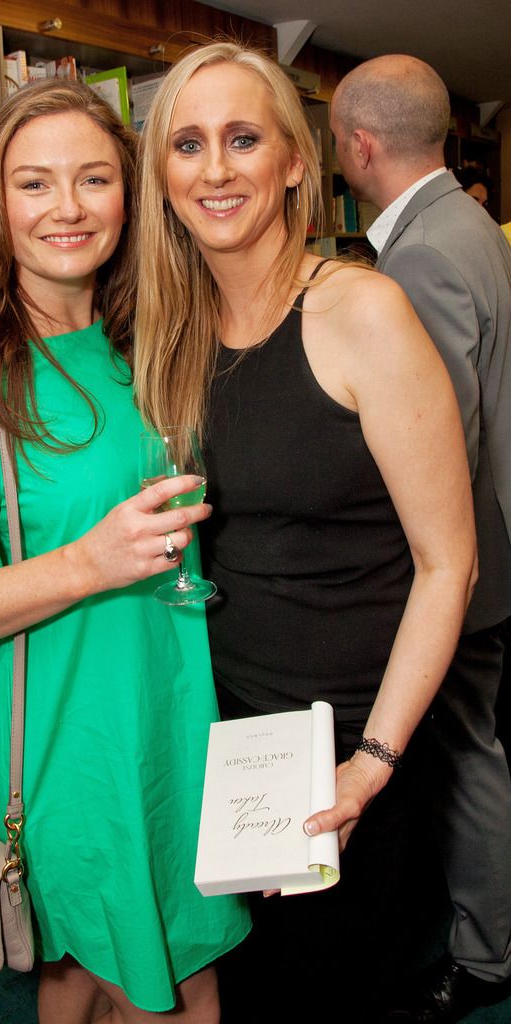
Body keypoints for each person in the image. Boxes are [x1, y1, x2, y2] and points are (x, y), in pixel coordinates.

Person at [0, 78, 250, 1023]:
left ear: (131, 196)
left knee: (82, 977)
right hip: (60, 746)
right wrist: (88, 562)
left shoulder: (155, 349)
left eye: (93, 179)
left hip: (173, 714)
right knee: (171, 987)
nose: (70, 208)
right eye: (35, 184)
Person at [133, 41, 477, 1019]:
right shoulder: (170, 332)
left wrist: (370, 762)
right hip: (227, 743)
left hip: (353, 753)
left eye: (242, 138)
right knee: (246, 991)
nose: (214, 168)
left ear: (294, 160)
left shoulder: (362, 311)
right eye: (187, 144)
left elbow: (446, 562)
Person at [330, 54, 511, 1021]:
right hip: (491, 544)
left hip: (466, 567)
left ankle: (486, 954)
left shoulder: (421, 255)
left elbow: (440, 443)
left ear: (360, 146)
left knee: (465, 754)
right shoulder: (471, 220)